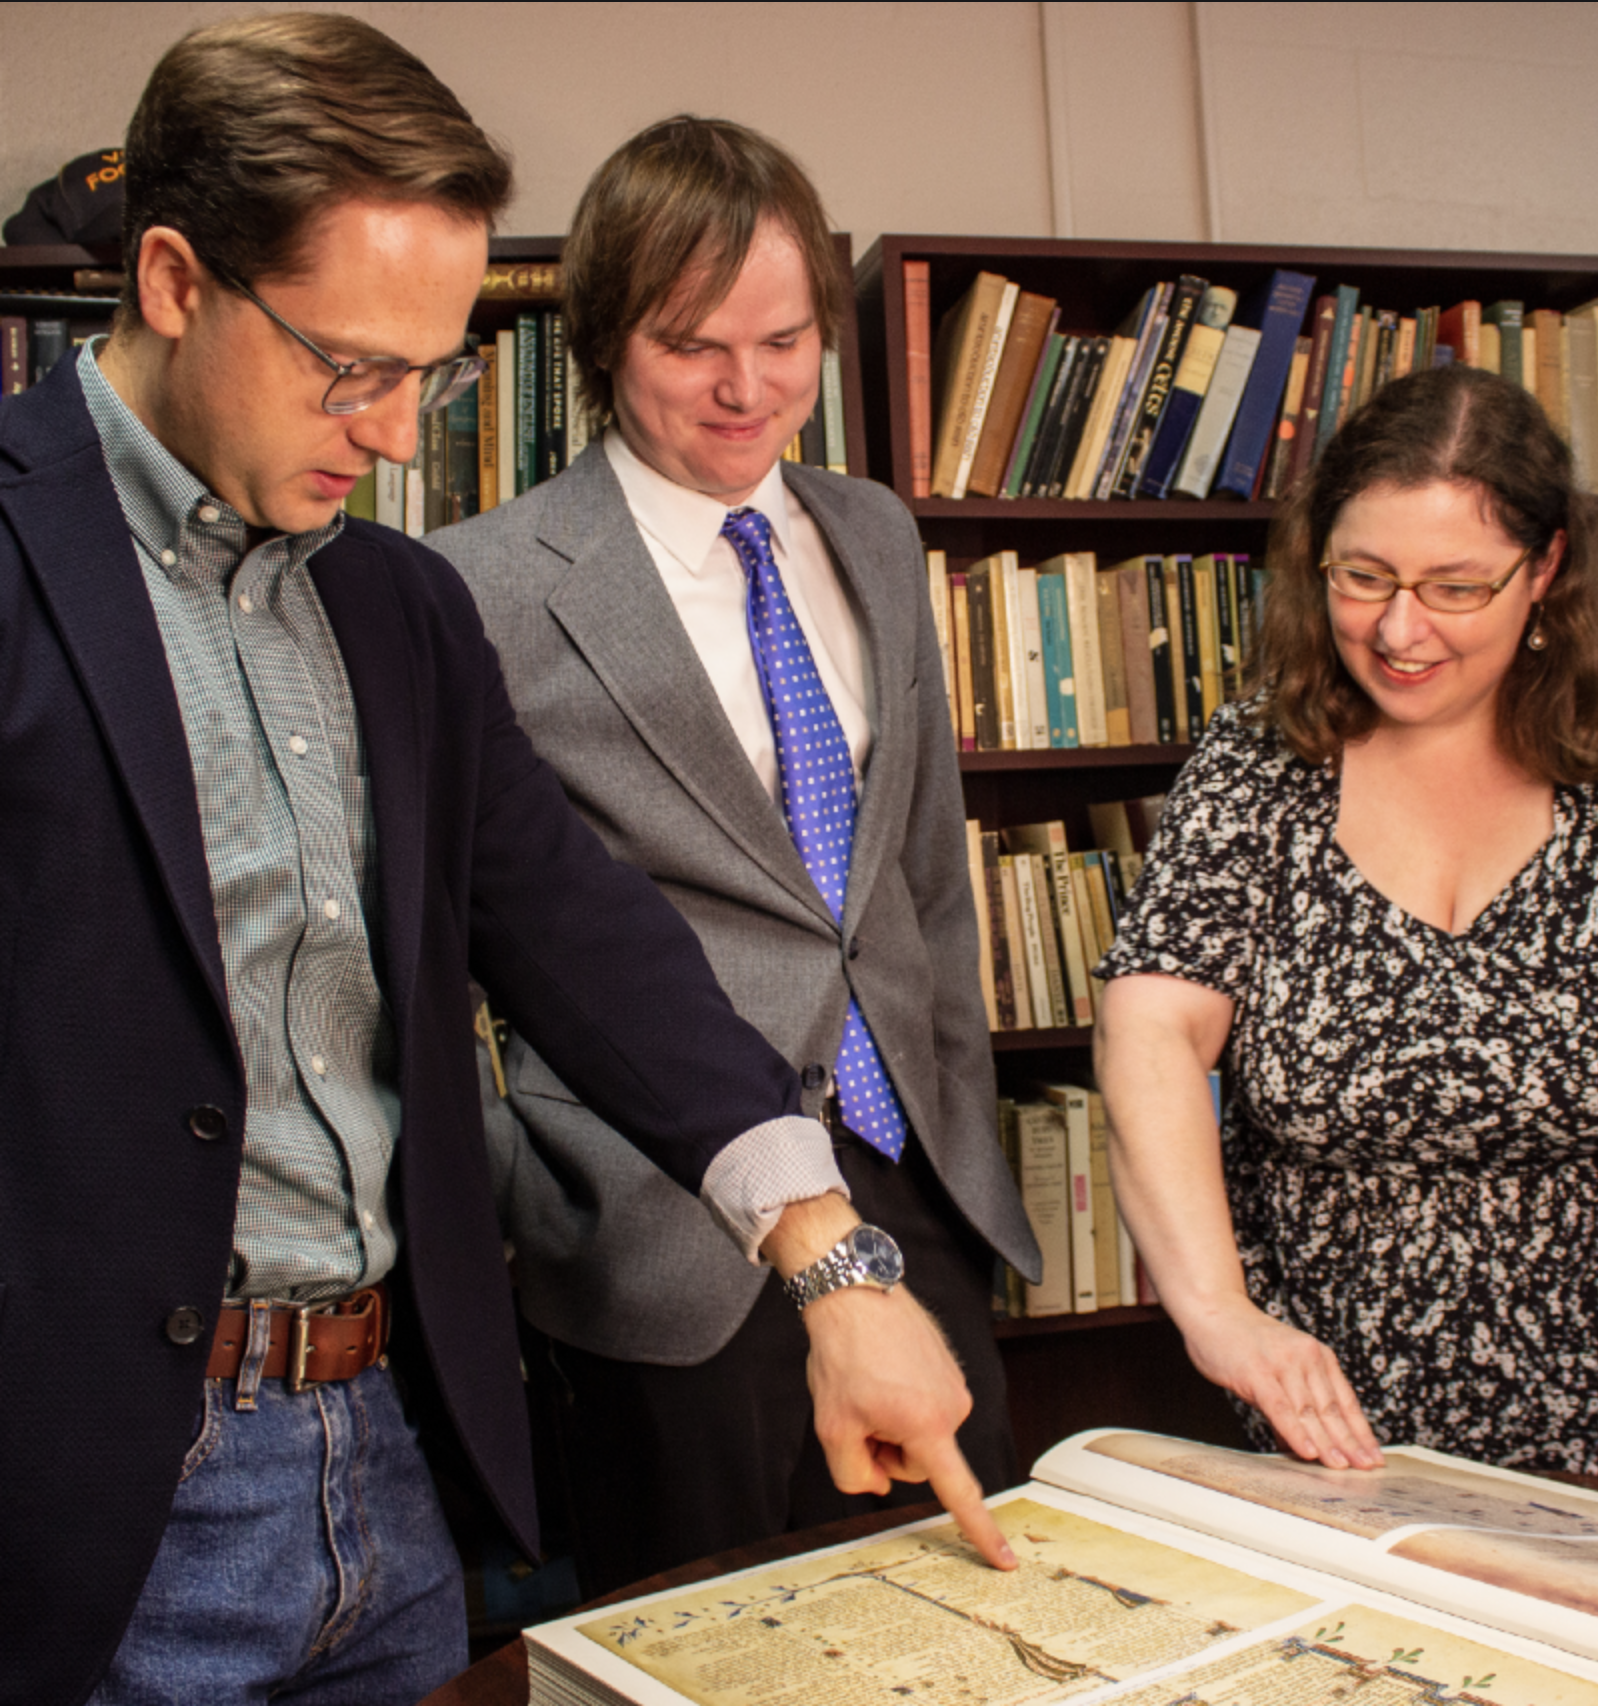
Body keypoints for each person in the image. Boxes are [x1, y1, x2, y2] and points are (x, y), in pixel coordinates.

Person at [1, 23, 1010, 1706]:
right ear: (172, 277)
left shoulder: (395, 607)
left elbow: (587, 939)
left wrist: (831, 1262)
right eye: (349, 368)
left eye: (433, 373)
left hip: (390, 1470)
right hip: (90, 1504)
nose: (397, 436)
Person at [432, 115, 1040, 1593]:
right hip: (658, 1235)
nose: (746, 387)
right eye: (693, 343)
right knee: (710, 1643)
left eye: (783, 339)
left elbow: (922, 876)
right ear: (597, 337)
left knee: (982, 1617)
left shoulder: (877, 533)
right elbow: (455, 940)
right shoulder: (479, 584)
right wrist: (532, 1182)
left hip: (917, 1185)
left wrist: (955, 1110)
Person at [1094, 363, 1598, 1500]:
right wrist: (1219, 1311)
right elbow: (1152, 1032)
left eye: (1456, 586)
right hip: (1336, 1434)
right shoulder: (1257, 757)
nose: (1399, 628)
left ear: (1547, 569)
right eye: (1363, 575)